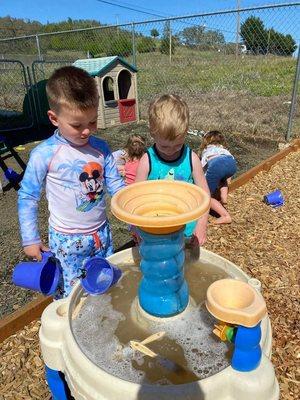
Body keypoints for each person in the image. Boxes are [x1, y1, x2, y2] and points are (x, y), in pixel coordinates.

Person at [18, 66, 125, 299]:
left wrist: (134, 219)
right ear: (54, 118)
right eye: (77, 125)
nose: (87, 130)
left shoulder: (101, 149)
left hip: (101, 233)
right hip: (67, 241)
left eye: (93, 121)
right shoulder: (44, 153)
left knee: (103, 287)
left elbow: (117, 187)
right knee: (70, 294)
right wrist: (31, 239)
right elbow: (28, 196)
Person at [135, 94, 210, 246]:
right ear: (152, 133)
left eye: (177, 145)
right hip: (154, 230)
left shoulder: (192, 159)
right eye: (164, 146)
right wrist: (135, 227)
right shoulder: (147, 161)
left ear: (186, 132)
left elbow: (205, 195)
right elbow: (136, 197)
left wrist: (201, 225)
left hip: (186, 230)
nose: (170, 151)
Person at [199, 130, 237, 224]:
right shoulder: (223, 149)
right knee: (223, 177)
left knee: (205, 195)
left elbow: (200, 169)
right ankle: (224, 198)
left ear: (206, 142)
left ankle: (225, 216)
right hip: (232, 164)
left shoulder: (207, 150)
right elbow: (227, 174)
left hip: (216, 165)